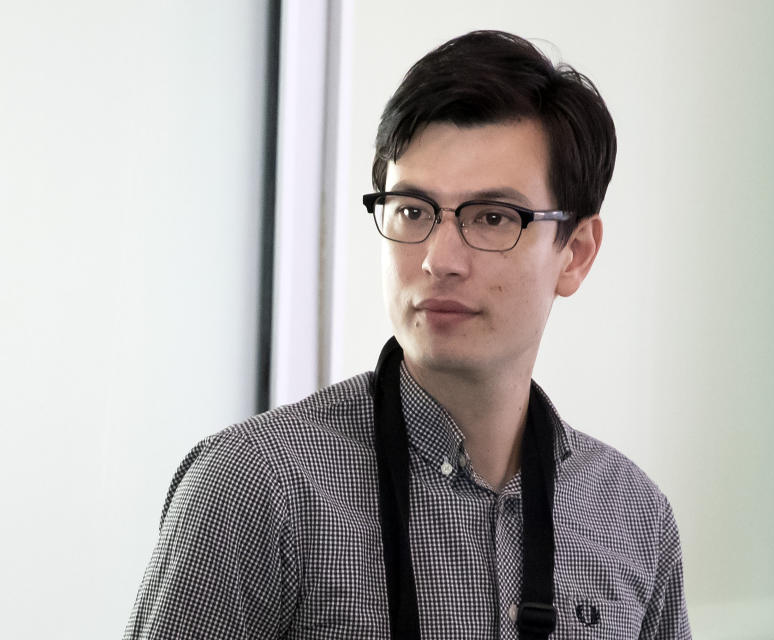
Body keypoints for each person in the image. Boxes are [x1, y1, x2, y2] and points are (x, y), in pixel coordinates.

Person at [124, 30, 691, 640]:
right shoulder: (257, 486)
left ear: (575, 253)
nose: (438, 259)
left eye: (492, 217)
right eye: (414, 211)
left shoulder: (632, 516)